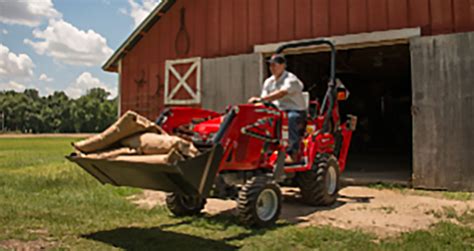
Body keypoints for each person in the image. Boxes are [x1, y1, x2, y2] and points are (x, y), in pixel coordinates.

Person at [248, 54, 307, 163]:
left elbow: (281, 93)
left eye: (275, 65)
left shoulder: (291, 79)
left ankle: (292, 153)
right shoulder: (268, 82)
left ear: (283, 65)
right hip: (276, 111)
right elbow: (264, 99)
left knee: (291, 119)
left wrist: (260, 99)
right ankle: (264, 151)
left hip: (295, 110)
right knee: (262, 122)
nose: (272, 68)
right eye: (271, 65)